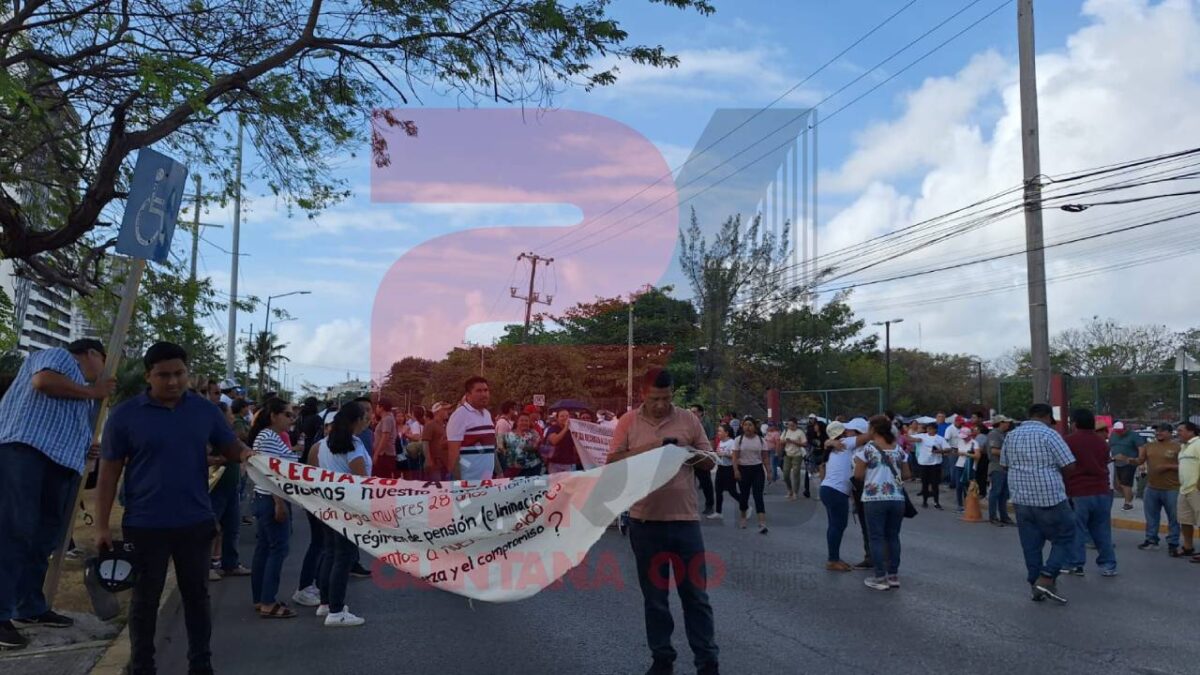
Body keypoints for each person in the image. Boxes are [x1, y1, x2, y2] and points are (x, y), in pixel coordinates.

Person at [94, 342, 248, 674]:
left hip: (195, 523)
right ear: (149, 376)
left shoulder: (206, 411)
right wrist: (103, 526)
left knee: (197, 599)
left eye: (179, 373)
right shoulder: (125, 415)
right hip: (144, 525)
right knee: (144, 602)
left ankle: (200, 665)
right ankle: (142, 667)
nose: (173, 382)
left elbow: (231, 448)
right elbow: (108, 474)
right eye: (164, 375)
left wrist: (252, 455)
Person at [0, 338, 111, 651]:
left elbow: (63, 422)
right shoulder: (60, 358)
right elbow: (43, 381)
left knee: (44, 537)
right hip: (26, 450)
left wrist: (85, 445)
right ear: (91, 353)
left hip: (58, 463)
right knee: (14, 530)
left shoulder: (83, 394)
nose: (104, 372)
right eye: (104, 361)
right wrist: (93, 391)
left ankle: (29, 606)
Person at [607, 368, 718, 675]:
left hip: (685, 521)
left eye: (667, 398)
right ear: (643, 394)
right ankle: (662, 658)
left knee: (696, 597)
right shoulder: (628, 421)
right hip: (645, 521)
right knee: (655, 599)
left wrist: (686, 452)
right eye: (655, 398)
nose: (661, 405)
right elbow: (612, 462)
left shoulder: (688, 419)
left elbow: (709, 462)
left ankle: (707, 661)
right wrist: (653, 448)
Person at [1001, 404, 1077, 604]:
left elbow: (1004, 464)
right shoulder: (1049, 435)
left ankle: (1035, 585)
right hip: (1049, 496)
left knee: (1031, 544)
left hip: (1020, 497)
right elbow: (1069, 464)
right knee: (1066, 535)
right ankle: (1047, 576)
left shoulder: (1011, 435)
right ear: (1045, 416)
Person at [314, 401, 372, 626]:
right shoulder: (353, 445)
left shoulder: (325, 443)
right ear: (356, 421)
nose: (367, 419)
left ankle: (326, 602)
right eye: (365, 416)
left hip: (327, 504)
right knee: (344, 556)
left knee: (330, 553)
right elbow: (360, 479)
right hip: (347, 507)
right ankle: (336, 611)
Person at [249, 397, 303, 618]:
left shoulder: (269, 436)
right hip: (271, 499)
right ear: (274, 416)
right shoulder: (269, 437)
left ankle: (261, 597)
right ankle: (268, 602)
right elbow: (272, 473)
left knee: (265, 548)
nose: (292, 419)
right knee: (278, 549)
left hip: (265, 498)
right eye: (288, 415)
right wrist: (279, 503)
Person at [853, 415, 911, 590]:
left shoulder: (867, 450)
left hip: (874, 498)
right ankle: (893, 575)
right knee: (893, 537)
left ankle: (880, 577)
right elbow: (907, 475)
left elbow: (858, 475)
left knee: (876, 537)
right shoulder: (898, 449)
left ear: (873, 430)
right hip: (897, 498)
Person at [1062, 409, 1117, 577]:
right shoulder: (1102, 442)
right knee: (1102, 530)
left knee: (1077, 530)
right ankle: (1108, 565)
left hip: (1079, 490)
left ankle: (1076, 564)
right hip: (1102, 490)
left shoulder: (1069, 441)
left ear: (1076, 423)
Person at [208, 402, 251, 579]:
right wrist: (221, 459)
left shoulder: (229, 436)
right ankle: (207, 566)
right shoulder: (212, 435)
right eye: (229, 414)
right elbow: (204, 456)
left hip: (231, 486)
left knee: (232, 528)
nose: (232, 417)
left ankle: (230, 564)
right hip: (216, 487)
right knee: (211, 529)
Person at [1136, 424, 1181, 555]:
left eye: (1162, 431)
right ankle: (1151, 540)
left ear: (1170, 433)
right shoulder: (1149, 446)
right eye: (1157, 431)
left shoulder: (1178, 447)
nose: (1158, 433)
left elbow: (1184, 465)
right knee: (1151, 517)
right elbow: (1140, 460)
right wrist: (1129, 459)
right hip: (1152, 487)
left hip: (1172, 488)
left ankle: (1173, 543)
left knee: (1174, 517)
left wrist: (1168, 466)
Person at [447, 377, 499, 481]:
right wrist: (458, 483)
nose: (484, 394)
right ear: (468, 395)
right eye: (478, 391)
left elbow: (490, 448)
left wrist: (499, 471)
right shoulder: (459, 416)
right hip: (467, 481)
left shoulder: (487, 414)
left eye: (486, 390)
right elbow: (453, 453)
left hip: (486, 480)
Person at [819, 421, 854, 571]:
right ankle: (832, 560)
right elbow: (868, 436)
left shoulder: (832, 447)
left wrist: (829, 441)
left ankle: (834, 557)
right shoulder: (845, 443)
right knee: (838, 525)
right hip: (836, 491)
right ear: (843, 432)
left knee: (834, 525)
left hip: (829, 489)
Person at [732, 417, 769, 534]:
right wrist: (736, 470)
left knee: (758, 495)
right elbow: (734, 457)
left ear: (755, 427)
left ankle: (762, 522)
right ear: (742, 427)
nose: (747, 427)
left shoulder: (761, 440)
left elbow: (765, 457)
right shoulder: (739, 440)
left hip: (757, 469)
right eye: (745, 425)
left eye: (750, 425)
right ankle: (743, 517)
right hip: (743, 469)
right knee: (744, 495)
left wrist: (769, 471)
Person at [1175, 421, 1200, 561]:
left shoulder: (1198, 444)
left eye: (1180, 430)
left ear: (1191, 432)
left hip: (1196, 489)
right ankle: (1188, 547)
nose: (1178, 433)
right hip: (1184, 489)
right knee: (1185, 520)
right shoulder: (1183, 447)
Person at [1109, 421, 1145, 511]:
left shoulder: (1134, 436)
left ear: (1126, 429)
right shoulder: (1113, 435)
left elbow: (1141, 448)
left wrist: (1141, 460)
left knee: (1125, 483)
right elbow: (1109, 447)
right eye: (1117, 431)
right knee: (1116, 485)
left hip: (1129, 461)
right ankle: (1128, 495)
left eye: (1121, 431)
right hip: (1115, 461)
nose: (1119, 433)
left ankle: (1128, 503)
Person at [987, 416, 1015, 526]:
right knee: (996, 492)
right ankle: (993, 516)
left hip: (1005, 467)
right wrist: (1011, 454)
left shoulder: (1004, 434)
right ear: (1000, 423)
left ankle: (1004, 516)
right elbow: (994, 451)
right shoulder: (994, 434)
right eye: (1006, 422)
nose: (1008, 424)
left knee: (1004, 494)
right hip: (997, 466)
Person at [915, 421, 950, 509]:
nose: (929, 430)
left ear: (935, 430)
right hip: (924, 463)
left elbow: (947, 449)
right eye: (927, 429)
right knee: (924, 483)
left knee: (935, 484)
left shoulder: (940, 438)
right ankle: (924, 501)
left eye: (931, 429)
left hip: (935, 464)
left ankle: (936, 502)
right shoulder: (922, 436)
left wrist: (939, 451)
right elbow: (909, 438)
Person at [690, 404, 716, 517]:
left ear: (701, 412)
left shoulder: (706, 423)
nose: (692, 413)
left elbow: (711, 438)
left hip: (702, 456)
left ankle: (709, 505)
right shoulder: (688, 423)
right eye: (691, 411)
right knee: (688, 482)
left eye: (695, 411)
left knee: (706, 482)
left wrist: (709, 454)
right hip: (689, 456)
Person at [499, 411, 544, 477]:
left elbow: (534, 446)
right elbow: (501, 451)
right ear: (517, 422)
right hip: (514, 471)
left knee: (534, 486)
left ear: (529, 422)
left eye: (526, 421)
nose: (524, 423)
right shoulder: (508, 435)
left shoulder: (534, 433)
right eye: (522, 420)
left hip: (533, 468)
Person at [710, 423, 740, 521]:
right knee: (718, 490)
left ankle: (746, 506)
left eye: (720, 431)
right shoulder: (721, 442)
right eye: (718, 431)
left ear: (726, 433)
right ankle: (718, 512)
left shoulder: (732, 442)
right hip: (721, 468)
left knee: (732, 491)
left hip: (729, 469)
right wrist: (716, 455)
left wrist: (724, 454)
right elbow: (719, 454)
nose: (718, 433)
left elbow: (735, 456)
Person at [545, 408, 582, 474]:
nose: (565, 418)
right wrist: (565, 428)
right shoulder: (553, 428)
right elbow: (554, 441)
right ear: (557, 418)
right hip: (555, 463)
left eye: (567, 416)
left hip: (569, 463)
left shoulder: (572, 429)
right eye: (562, 416)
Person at [422, 402, 452, 481]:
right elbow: (425, 443)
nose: (447, 412)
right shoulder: (430, 425)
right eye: (445, 410)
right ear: (438, 412)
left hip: (445, 462)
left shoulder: (446, 425)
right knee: (436, 486)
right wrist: (428, 460)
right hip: (435, 463)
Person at [953, 426, 980, 513]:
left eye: (965, 437)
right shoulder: (960, 442)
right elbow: (957, 452)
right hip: (959, 465)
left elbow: (977, 456)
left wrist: (966, 454)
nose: (963, 439)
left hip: (969, 467)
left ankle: (968, 504)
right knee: (958, 486)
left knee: (967, 486)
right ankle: (960, 505)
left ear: (969, 435)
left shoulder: (974, 443)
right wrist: (958, 453)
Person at [780, 418, 807, 502]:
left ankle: (795, 492)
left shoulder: (800, 432)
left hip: (797, 455)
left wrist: (793, 442)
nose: (790, 426)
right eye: (789, 425)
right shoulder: (786, 431)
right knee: (785, 473)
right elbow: (781, 441)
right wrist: (785, 441)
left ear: (796, 424)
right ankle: (789, 489)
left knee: (796, 473)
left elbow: (805, 444)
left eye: (792, 425)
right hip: (787, 454)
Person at [372, 398, 399, 479]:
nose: (376, 409)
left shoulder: (387, 419)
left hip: (385, 455)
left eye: (377, 406)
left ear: (381, 407)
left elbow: (385, 438)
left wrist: (376, 454)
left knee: (382, 478)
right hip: (384, 455)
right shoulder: (386, 419)